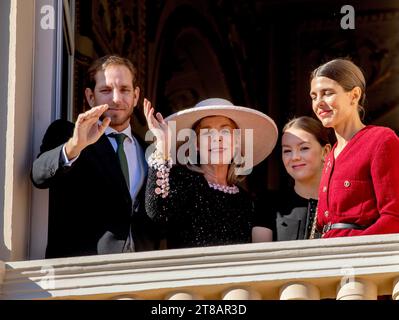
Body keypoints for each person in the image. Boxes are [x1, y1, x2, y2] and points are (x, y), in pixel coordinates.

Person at [31, 55, 159, 258]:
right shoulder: (67, 134)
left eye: (124, 90)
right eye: (106, 90)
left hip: (142, 274)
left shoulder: (150, 152)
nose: (116, 99)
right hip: (82, 275)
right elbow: (38, 175)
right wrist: (74, 146)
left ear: (135, 96)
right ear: (91, 97)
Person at [143, 98, 278, 249]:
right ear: (196, 144)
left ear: (237, 141)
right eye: (207, 133)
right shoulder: (182, 183)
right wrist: (162, 147)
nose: (217, 138)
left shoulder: (248, 203)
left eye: (225, 131)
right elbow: (157, 212)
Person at [309, 58, 399, 238]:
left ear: (354, 95)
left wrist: (355, 250)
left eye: (327, 93)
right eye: (314, 96)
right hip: (324, 257)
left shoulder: (381, 140)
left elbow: (394, 217)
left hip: (359, 259)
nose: (318, 102)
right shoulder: (331, 154)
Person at [254, 117, 332, 241]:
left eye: (304, 148)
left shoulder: (341, 203)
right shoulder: (268, 204)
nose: (294, 157)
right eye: (287, 151)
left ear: (326, 151)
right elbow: (259, 257)